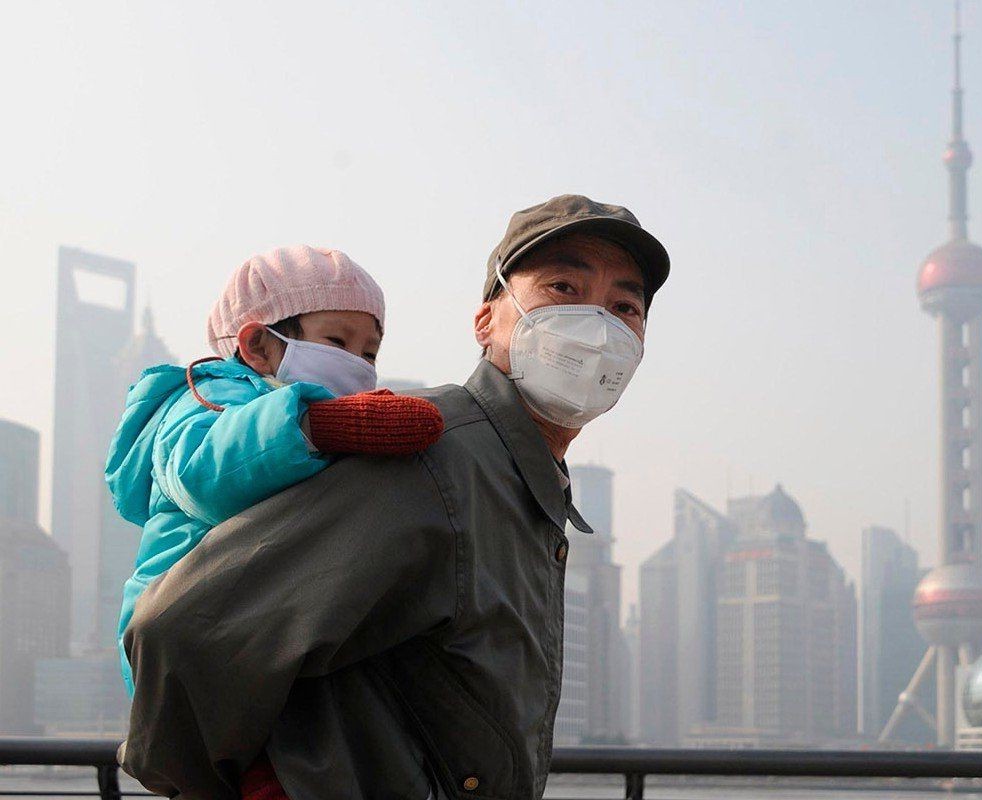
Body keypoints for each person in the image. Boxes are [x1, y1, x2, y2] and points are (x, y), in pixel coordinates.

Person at [119, 195, 670, 800]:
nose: (598, 327)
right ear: (487, 320)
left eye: (625, 307)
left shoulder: (521, 480)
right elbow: (177, 631)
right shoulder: (429, 453)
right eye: (563, 287)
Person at [106, 245, 444, 696]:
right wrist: (313, 424)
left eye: (369, 352)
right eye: (338, 343)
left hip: (257, 633)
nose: (358, 366)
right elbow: (202, 474)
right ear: (258, 347)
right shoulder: (207, 396)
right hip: (188, 636)